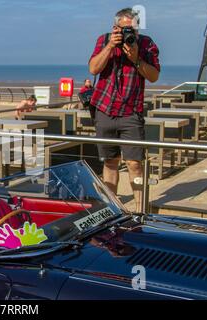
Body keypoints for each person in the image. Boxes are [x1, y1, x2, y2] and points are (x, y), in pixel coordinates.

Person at [88, 8, 160, 212]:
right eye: (125, 29)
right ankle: (113, 209)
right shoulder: (104, 40)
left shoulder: (146, 44)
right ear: (115, 28)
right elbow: (93, 69)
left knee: (135, 164)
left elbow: (154, 76)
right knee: (109, 162)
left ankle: (140, 211)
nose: (130, 34)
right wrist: (111, 45)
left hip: (131, 112)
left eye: (133, 30)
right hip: (105, 109)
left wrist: (136, 58)